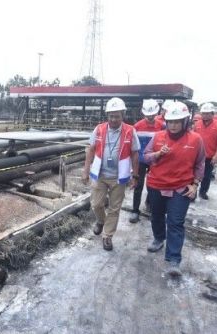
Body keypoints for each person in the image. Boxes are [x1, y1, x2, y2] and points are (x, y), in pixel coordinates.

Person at [143, 102, 205, 276]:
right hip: (157, 185)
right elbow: (145, 157)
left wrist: (195, 184)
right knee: (156, 216)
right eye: (170, 121)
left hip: (180, 188)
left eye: (178, 121)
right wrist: (157, 154)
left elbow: (200, 163)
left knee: (176, 222)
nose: (174, 125)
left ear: (185, 121)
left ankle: (174, 259)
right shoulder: (157, 137)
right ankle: (158, 238)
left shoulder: (195, 140)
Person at [82, 97, 140, 251]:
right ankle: (101, 221)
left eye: (117, 116)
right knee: (96, 204)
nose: (114, 119)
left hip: (119, 177)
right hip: (100, 174)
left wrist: (135, 175)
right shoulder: (99, 129)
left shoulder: (130, 131)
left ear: (123, 115)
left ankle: (107, 236)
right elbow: (91, 150)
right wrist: (86, 170)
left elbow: (135, 154)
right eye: (111, 116)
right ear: (107, 116)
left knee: (114, 208)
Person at [131, 99, 165, 223]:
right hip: (140, 159)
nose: (150, 117)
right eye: (147, 115)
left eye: (152, 114)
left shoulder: (162, 126)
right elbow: (133, 146)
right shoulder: (137, 126)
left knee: (153, 185)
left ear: (156, 113)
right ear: (143, 113)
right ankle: (135, 210)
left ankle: (149, 205)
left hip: (155, 159)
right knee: (138, 185)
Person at [193, 103, 217, 200]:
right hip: (196, 156)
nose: (205, 115)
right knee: (193, 175)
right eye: (204, 113)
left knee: (206, 176)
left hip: (210, 156)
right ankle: (192, 193)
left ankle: (203, 192)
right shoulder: (197, 124)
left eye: (208, 114)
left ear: (212, 114)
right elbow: (192, 138)